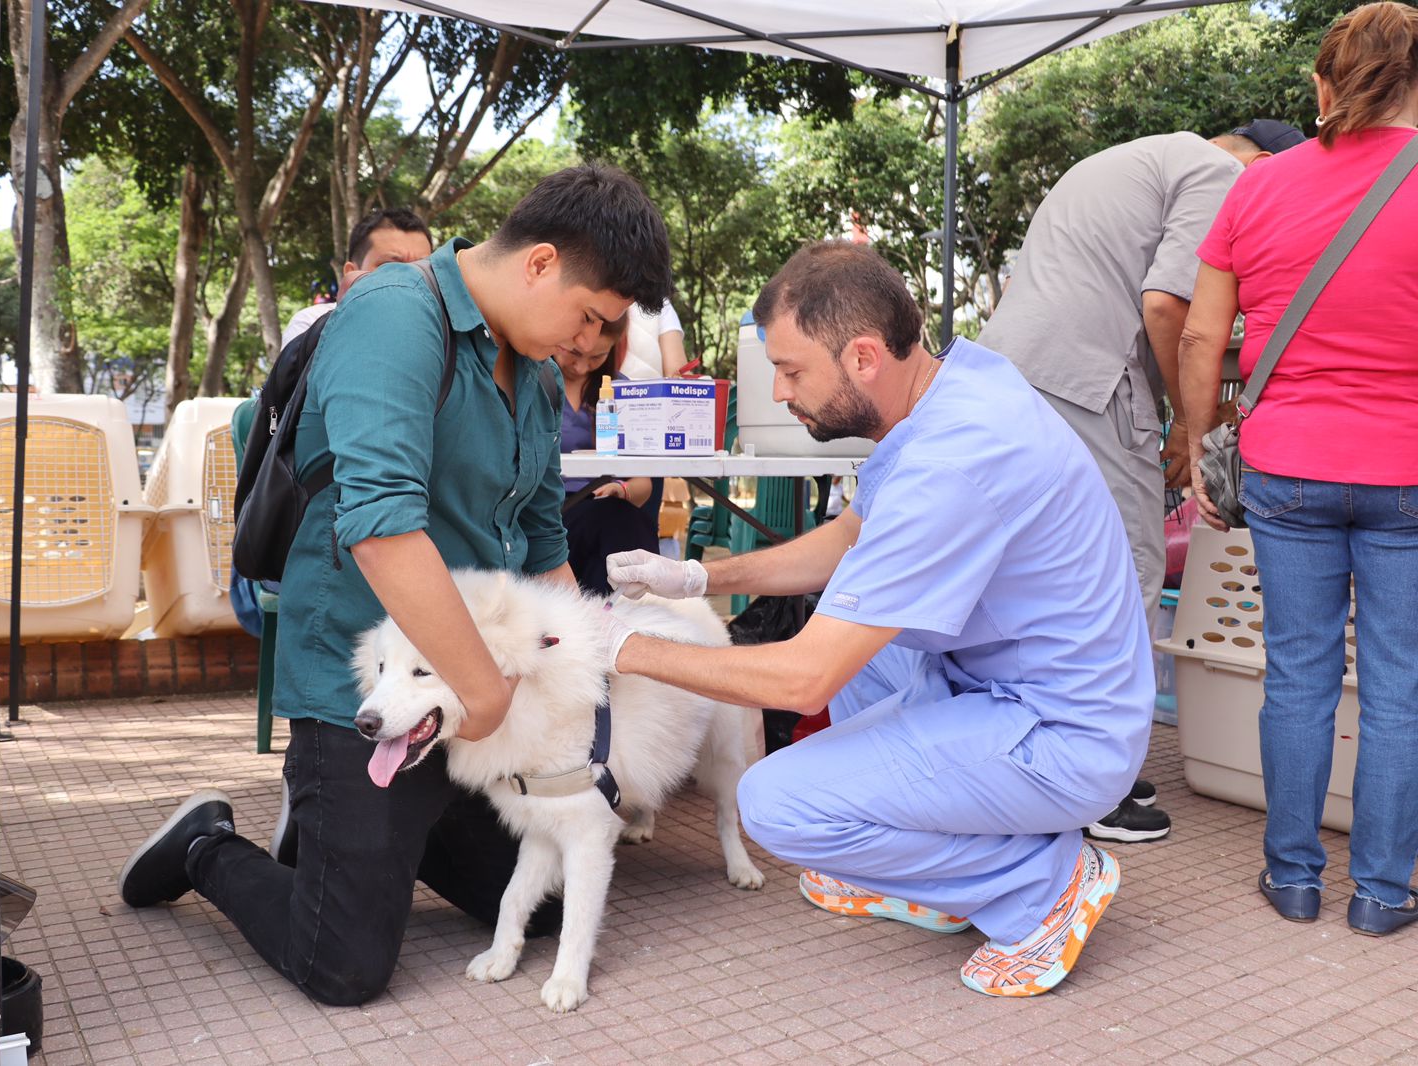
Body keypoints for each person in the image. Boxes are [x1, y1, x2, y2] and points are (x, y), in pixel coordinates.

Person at [118, 165, 673, 1006]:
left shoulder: (524, 365)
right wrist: (485, 695)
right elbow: (380, 532)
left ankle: (341, 836)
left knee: (549, 902)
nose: (585, 343)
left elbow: (546, 548)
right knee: (342, 964)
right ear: (540, 263)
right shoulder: (394, 318)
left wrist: (596, 684)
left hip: (474, 714)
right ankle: (208, 847)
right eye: (588, 315)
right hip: (379, 691)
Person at [601, 241, 1152, 997]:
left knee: (777, 805)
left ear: (863, 357)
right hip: (1006, 681)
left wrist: (626, 649)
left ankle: (1039, 883)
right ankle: (959, 860)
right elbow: (855, 536)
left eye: (792, 371)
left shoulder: (952, 462)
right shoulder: (951, 388)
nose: (782, 391)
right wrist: (699, 574)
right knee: (857, 629)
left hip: (1064, 735)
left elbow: (803, 679)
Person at [977, 119, 1305, 842]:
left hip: (1015, 374)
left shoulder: (1140, 157)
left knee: (1048, 580)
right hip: (1088, 382)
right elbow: (1167, 308)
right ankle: (1092, 784)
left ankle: (1062, 761)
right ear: (1264, 167)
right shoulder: (1219, 176)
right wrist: (1191, 426)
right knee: (1127, 572)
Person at [1182, 2, 1418, 936]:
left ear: (1325, 85)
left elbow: (1204, 334)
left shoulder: (1257, 188)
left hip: (1285, 466)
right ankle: (1385, 894)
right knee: (1400, 682)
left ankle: (1293, 879)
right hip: (1408, 476)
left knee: (1298, 675)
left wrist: (1205, 447)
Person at [554, 314, 661, 594]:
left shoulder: (623, 392)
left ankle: (628, 613)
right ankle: (635, 611)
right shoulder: (530, 382)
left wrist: (620, 489)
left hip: (603, 507)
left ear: (614, 348)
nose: (581, 366)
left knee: (623, 520)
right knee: (615, 526)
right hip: (546, 513)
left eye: (596, 357)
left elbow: (643, 484)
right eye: (574, 353)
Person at [282, 207, 435, 345]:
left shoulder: (441, 333)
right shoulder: (311, 326)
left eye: (421, 268)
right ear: (351, 273)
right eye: (390, 267)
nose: (410, 280)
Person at [622, 295, 689, 379]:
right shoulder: (659, 301)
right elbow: (676, 375)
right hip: (652, 390)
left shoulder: (660, 303)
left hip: (610, 388)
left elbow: (677, 374)